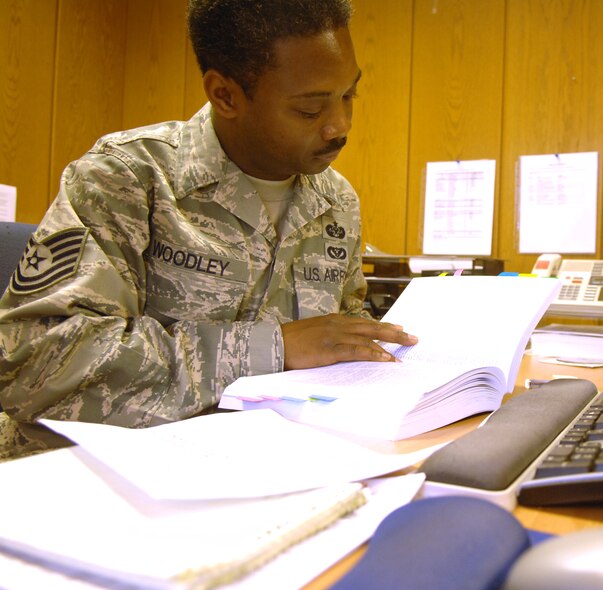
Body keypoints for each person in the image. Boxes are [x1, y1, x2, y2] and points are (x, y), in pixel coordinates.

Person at [0, 0, 417, 460]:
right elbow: (36, 364)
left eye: (348, 95)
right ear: (225, 94)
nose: (340, 125)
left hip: (273, 465)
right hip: (100, 478)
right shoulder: (129, 178)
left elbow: (339, 337)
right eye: (309, 109)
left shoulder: (336, 203)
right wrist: (272, 347)